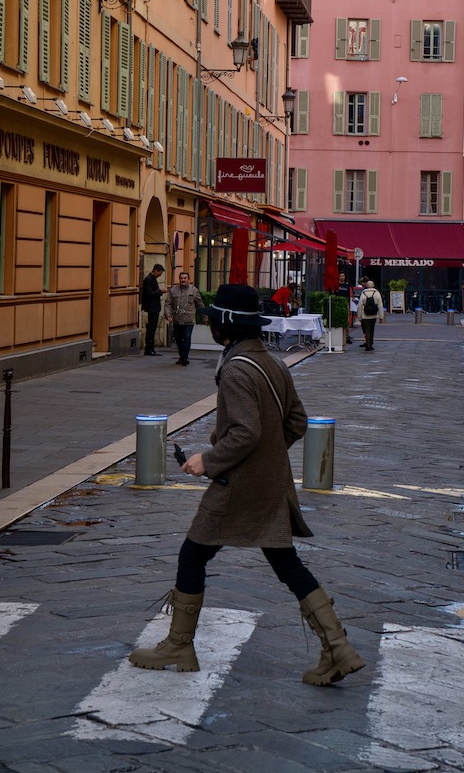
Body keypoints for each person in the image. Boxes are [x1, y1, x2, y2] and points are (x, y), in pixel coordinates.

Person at [128, 283, 366, 686]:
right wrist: (268, 457)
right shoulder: (271, 362)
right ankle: (338, 648)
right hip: (268, 482)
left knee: (192, 556)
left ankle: (179, 645)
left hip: (236, 485)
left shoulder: (237, 368)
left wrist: (208, 460)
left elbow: (246, 432)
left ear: (226, 326)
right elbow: (296, 423)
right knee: (285, 563)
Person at [164, 271, 204, 366]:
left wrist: (204, 317)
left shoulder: (194, 290)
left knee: (187, 337)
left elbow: (200, 304)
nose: (183, 280)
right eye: (181, 278)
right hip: (177, 319)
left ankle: (185, 357)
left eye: (185, 278)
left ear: (188, 279)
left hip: (189, 319)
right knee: (178, 338)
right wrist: (168, 314)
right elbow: (168, 303)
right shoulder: (173, 290)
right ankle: (181, 356)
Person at [141, 263, 165, 356]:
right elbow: (150, 293)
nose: (160, 275)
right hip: (152, 307)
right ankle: (148, 349)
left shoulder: (152, 279)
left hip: (154, 307)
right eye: (160, 273)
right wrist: (160, 291)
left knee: (153, 328)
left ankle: (151, 348)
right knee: (151, 328)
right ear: (155, 270)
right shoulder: (148, 279)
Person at [357, 279, 384, 351]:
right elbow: (380, 305)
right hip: (374, 314)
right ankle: (370, 343)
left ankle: (368, 344)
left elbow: (359, 306)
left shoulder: (363, 293)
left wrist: (359, 317)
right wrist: (381, 317)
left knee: (367, 329)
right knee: (372, 329)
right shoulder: (377, 293)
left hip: (365, 315)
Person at [336, 271, 353, 344]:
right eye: (340, 276)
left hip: (345, 305)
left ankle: (346, 335)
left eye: (343, 276)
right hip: (338, 305)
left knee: (346, 321)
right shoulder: (336, 286)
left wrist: (349, 306)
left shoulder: (347, 286)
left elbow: (350, 297)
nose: (342, 277)